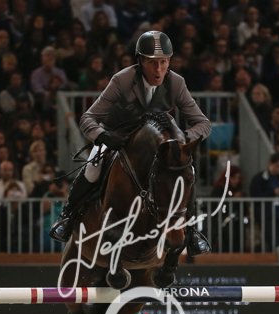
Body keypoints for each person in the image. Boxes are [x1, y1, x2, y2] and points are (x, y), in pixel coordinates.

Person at [49, 30, 212, 256]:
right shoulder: (122, 80)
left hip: (156, 146)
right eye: (152, 62)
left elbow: (203, 123)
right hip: (119, 137)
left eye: (163, 62)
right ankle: (68, 216)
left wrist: (182, 139)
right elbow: (88, 118)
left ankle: (191, 231)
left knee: (186, 171)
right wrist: (103, 136)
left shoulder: (176, 82)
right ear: (141, 61)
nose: (158, 70)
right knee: (94, 167)